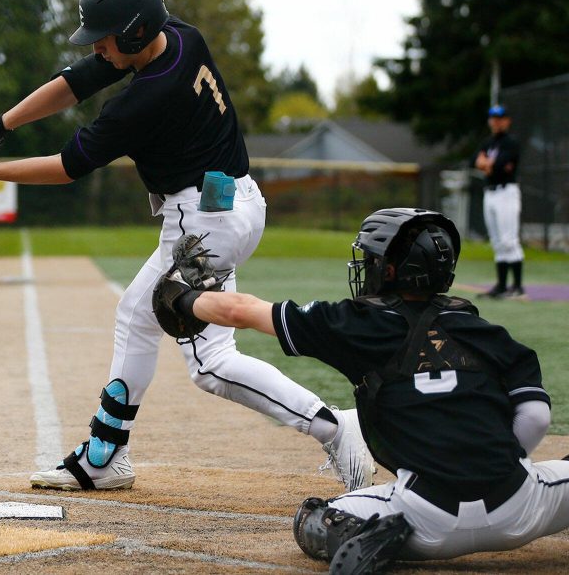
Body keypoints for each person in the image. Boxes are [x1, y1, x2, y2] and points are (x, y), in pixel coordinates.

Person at [0, 0, 373, 493]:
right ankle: (106, 452)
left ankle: (335, 426)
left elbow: (67, 165)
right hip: (235, 204)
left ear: (135, 34)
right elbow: (81, 78)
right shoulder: (183, 36)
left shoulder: (143, 101)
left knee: (210, 362)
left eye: (106, 39)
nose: (99, 49)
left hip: (202, 226)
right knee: (138, 315)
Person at [156, 207, 568, 573]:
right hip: (521, 506)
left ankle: (377, 540)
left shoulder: (354, 324)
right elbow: (536, 420)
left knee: (316, 519)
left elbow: (239, 311)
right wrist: (490, 466)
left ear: (388, 270)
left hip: (426, 520)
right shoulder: (491, 334)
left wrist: (184, 298)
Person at [472, 104, 525, 298]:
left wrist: (486, 164)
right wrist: (487, 165)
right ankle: (502, 286)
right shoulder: (488, 142)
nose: (496, 121)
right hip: (490, 193)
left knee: (508, 239)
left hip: (506, 192)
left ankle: (517, 287)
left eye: (500, 118)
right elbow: (475, 162)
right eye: (493, 118)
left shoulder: (511, 142)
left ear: (507, 120)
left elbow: (501, 165)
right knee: (496, 241)